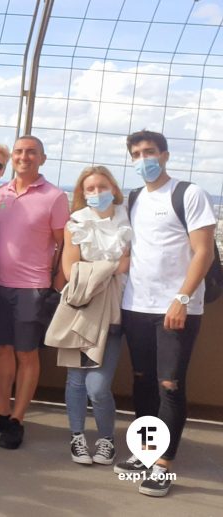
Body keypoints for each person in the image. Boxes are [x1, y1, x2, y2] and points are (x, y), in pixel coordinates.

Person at [115, 130, 216, 497]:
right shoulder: (135, 197)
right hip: (136, 305)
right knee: (143, 382)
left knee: (169, 386)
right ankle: (145, 453)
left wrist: (183, 298)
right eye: (137, 153)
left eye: (150, 151)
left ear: (166, 155)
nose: (144, 158)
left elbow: (203, 251)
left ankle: (163, 467)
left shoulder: (188, 194)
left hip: (175, 308)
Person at [0, 135, 69, 450]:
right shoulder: (2, 193)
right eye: (19, 152)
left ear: (42, 159)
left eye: (31, 152)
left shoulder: (55, 196)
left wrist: (57, 284)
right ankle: (0, 410)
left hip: (33, 289)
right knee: (1, 350)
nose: (24, 157)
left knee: (27, 354)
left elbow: (65, 243)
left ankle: (16, 420)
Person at [45, 166, 130, 466]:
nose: (96, 193)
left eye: (101, 187)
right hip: (82, 312)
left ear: (114, 188)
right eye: (89, 189)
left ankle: (106, 438)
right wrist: (107, 267)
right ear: (81, 194)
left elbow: (125, 265)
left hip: (115, 314)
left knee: (98, 385)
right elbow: (70, 270)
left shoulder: (127, 219)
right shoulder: (76, 224)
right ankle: (77, 436)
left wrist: (95, 269)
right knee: (76, 381)